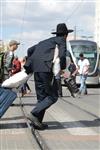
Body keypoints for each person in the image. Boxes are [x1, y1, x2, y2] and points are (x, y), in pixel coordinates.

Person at [25, 23, 73, 130]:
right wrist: (63, 67)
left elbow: (29, 50)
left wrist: (33, 62)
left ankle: (37, 123)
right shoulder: (61, 40)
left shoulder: (45, 42)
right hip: (46, 70)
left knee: (42, 98)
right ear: (65, 35)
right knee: (53, 97)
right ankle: (33, 113)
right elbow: (62, 55)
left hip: (37, 69)